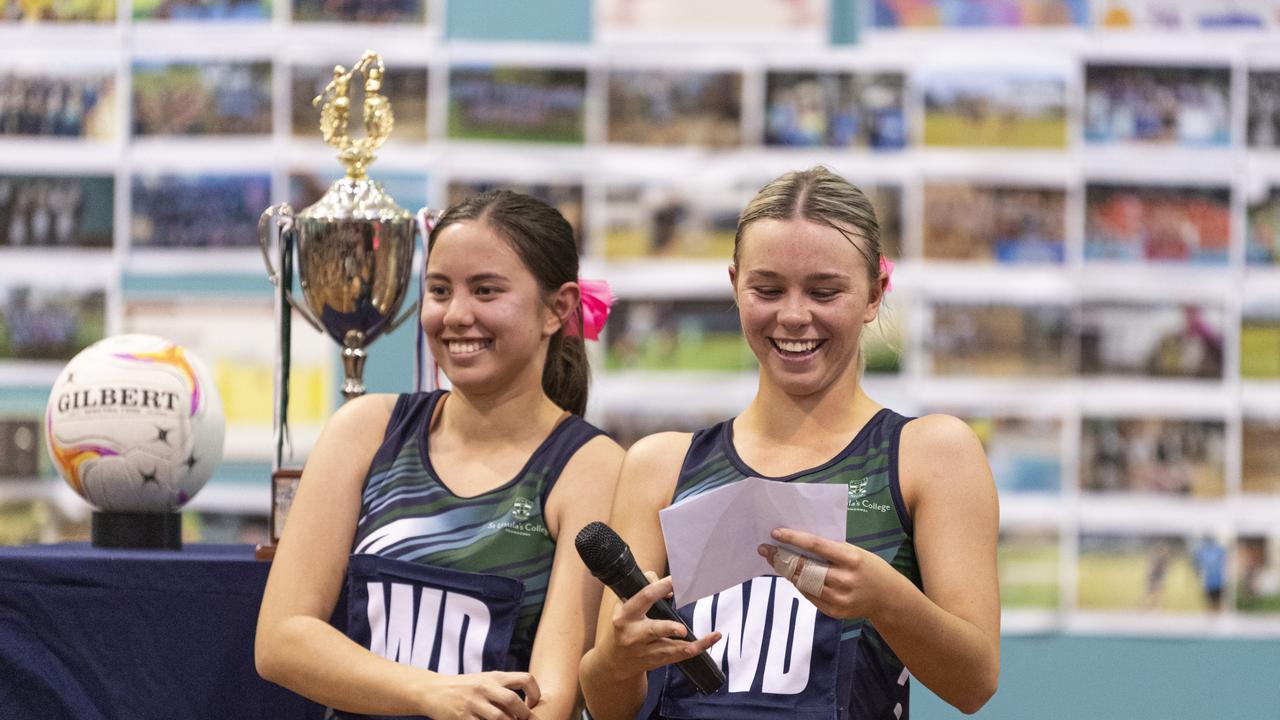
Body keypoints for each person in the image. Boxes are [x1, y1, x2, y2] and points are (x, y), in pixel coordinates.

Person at [579, 167, 1000, 719]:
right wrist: (615, 659)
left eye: (824, 292)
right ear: (735, 284)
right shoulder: (660, 465)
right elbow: (610, 704)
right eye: (768, 289)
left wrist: (887, 598)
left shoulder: (930, 453)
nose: (794, 316)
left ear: (875, 292)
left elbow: (974, 684)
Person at [256, 189, 624, 720]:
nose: (456, 314)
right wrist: (431, 692)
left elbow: (552, 700)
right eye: (439, 289)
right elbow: (280, 640)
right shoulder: (365, 431)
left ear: (558, 309)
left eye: (486, 290)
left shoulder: (591, 467)